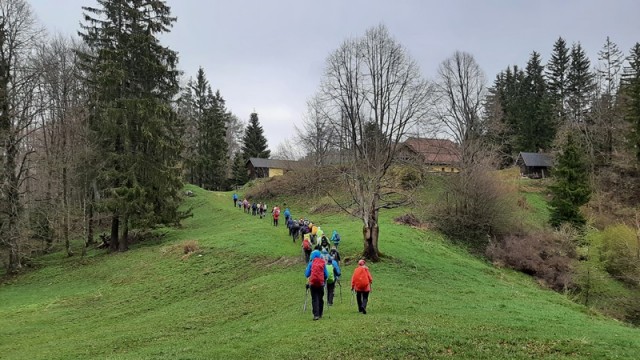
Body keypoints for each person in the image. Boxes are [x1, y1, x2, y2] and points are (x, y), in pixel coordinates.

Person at [305, 250, 328, 320]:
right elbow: (326, 274)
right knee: (320, 298)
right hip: (321, 283)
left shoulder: (311, 263)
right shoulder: (323, 263)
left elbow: (307, 274)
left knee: (314, 299)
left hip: (313, 283)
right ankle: (320, 314)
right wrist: (323, 278)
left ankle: (316, 315)